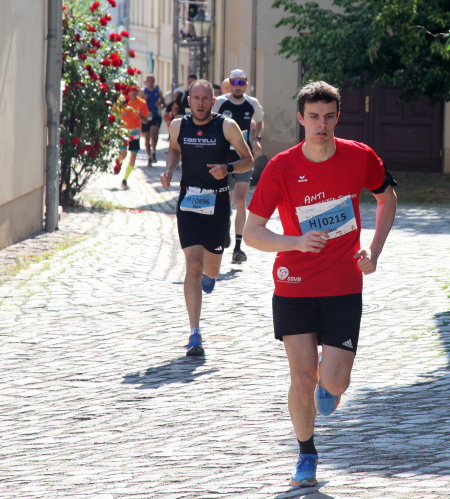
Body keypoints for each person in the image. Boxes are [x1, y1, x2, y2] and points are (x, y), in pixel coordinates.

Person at [243, 81, 397, 487]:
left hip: (344, 286)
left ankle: (330, 388)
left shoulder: (360, 157)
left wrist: (374, 251)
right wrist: (295, 242)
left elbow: (387, 199)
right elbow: (252, 233)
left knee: (334, 382)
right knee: (301, 378)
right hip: (293, 285)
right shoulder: (281, 167)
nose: (321, 125)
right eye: (313, 117)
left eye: (328, 117)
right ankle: (306, 454)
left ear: (337, 118)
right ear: (301, 119)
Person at [159, 79, 254, 356]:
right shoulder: (178, 125)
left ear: (213, 101)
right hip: (188, 202)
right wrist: (169, 170)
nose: (200, 103)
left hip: (217, 203)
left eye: (205, 99)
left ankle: (210, 276)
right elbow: (174, 149)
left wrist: (228, 168)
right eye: (195, 98)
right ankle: (194, 333)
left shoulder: (226, 126)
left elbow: (248, 159)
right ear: (189, 101)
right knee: (192, 264)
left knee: (211, 269)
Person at [211, 69, 264, 264]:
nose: (238, 86)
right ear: (229, 84)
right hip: (223, 158)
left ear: (246, 85)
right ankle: (224, 227)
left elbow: (259, 122)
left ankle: (238, 247)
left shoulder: (252, 104)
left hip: (244, 157)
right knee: (225, 201)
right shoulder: (220, 103)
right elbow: (209, 123)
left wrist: (257, 139)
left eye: (241, 83)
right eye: (235, 82)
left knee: (241, 201)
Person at [115, 87, 150, 190]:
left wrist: (140, 116)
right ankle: (118, 162)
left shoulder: (142, 103)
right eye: (132, 90)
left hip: (135, 131)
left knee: (133, 156)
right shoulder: (122, 101)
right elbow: (113, 115)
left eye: (136, 90)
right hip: (123, 130)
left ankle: (125, 180)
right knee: (123, 154)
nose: (134, 92)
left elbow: (146, 121)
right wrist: (120, 114)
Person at [140, 75, 166, 166]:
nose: (151, 82)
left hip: (155, 115)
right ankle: (149, 156)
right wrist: (144, 99)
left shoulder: (158, 91)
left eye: (152, 81)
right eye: (149, 80)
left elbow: (163, 103)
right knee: (147, 138)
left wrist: (160, 104)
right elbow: (138, 103)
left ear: (154, 82)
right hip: (146, 116)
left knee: (154, 134)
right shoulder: (143, 91)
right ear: (146, 81)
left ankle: (154, 150)